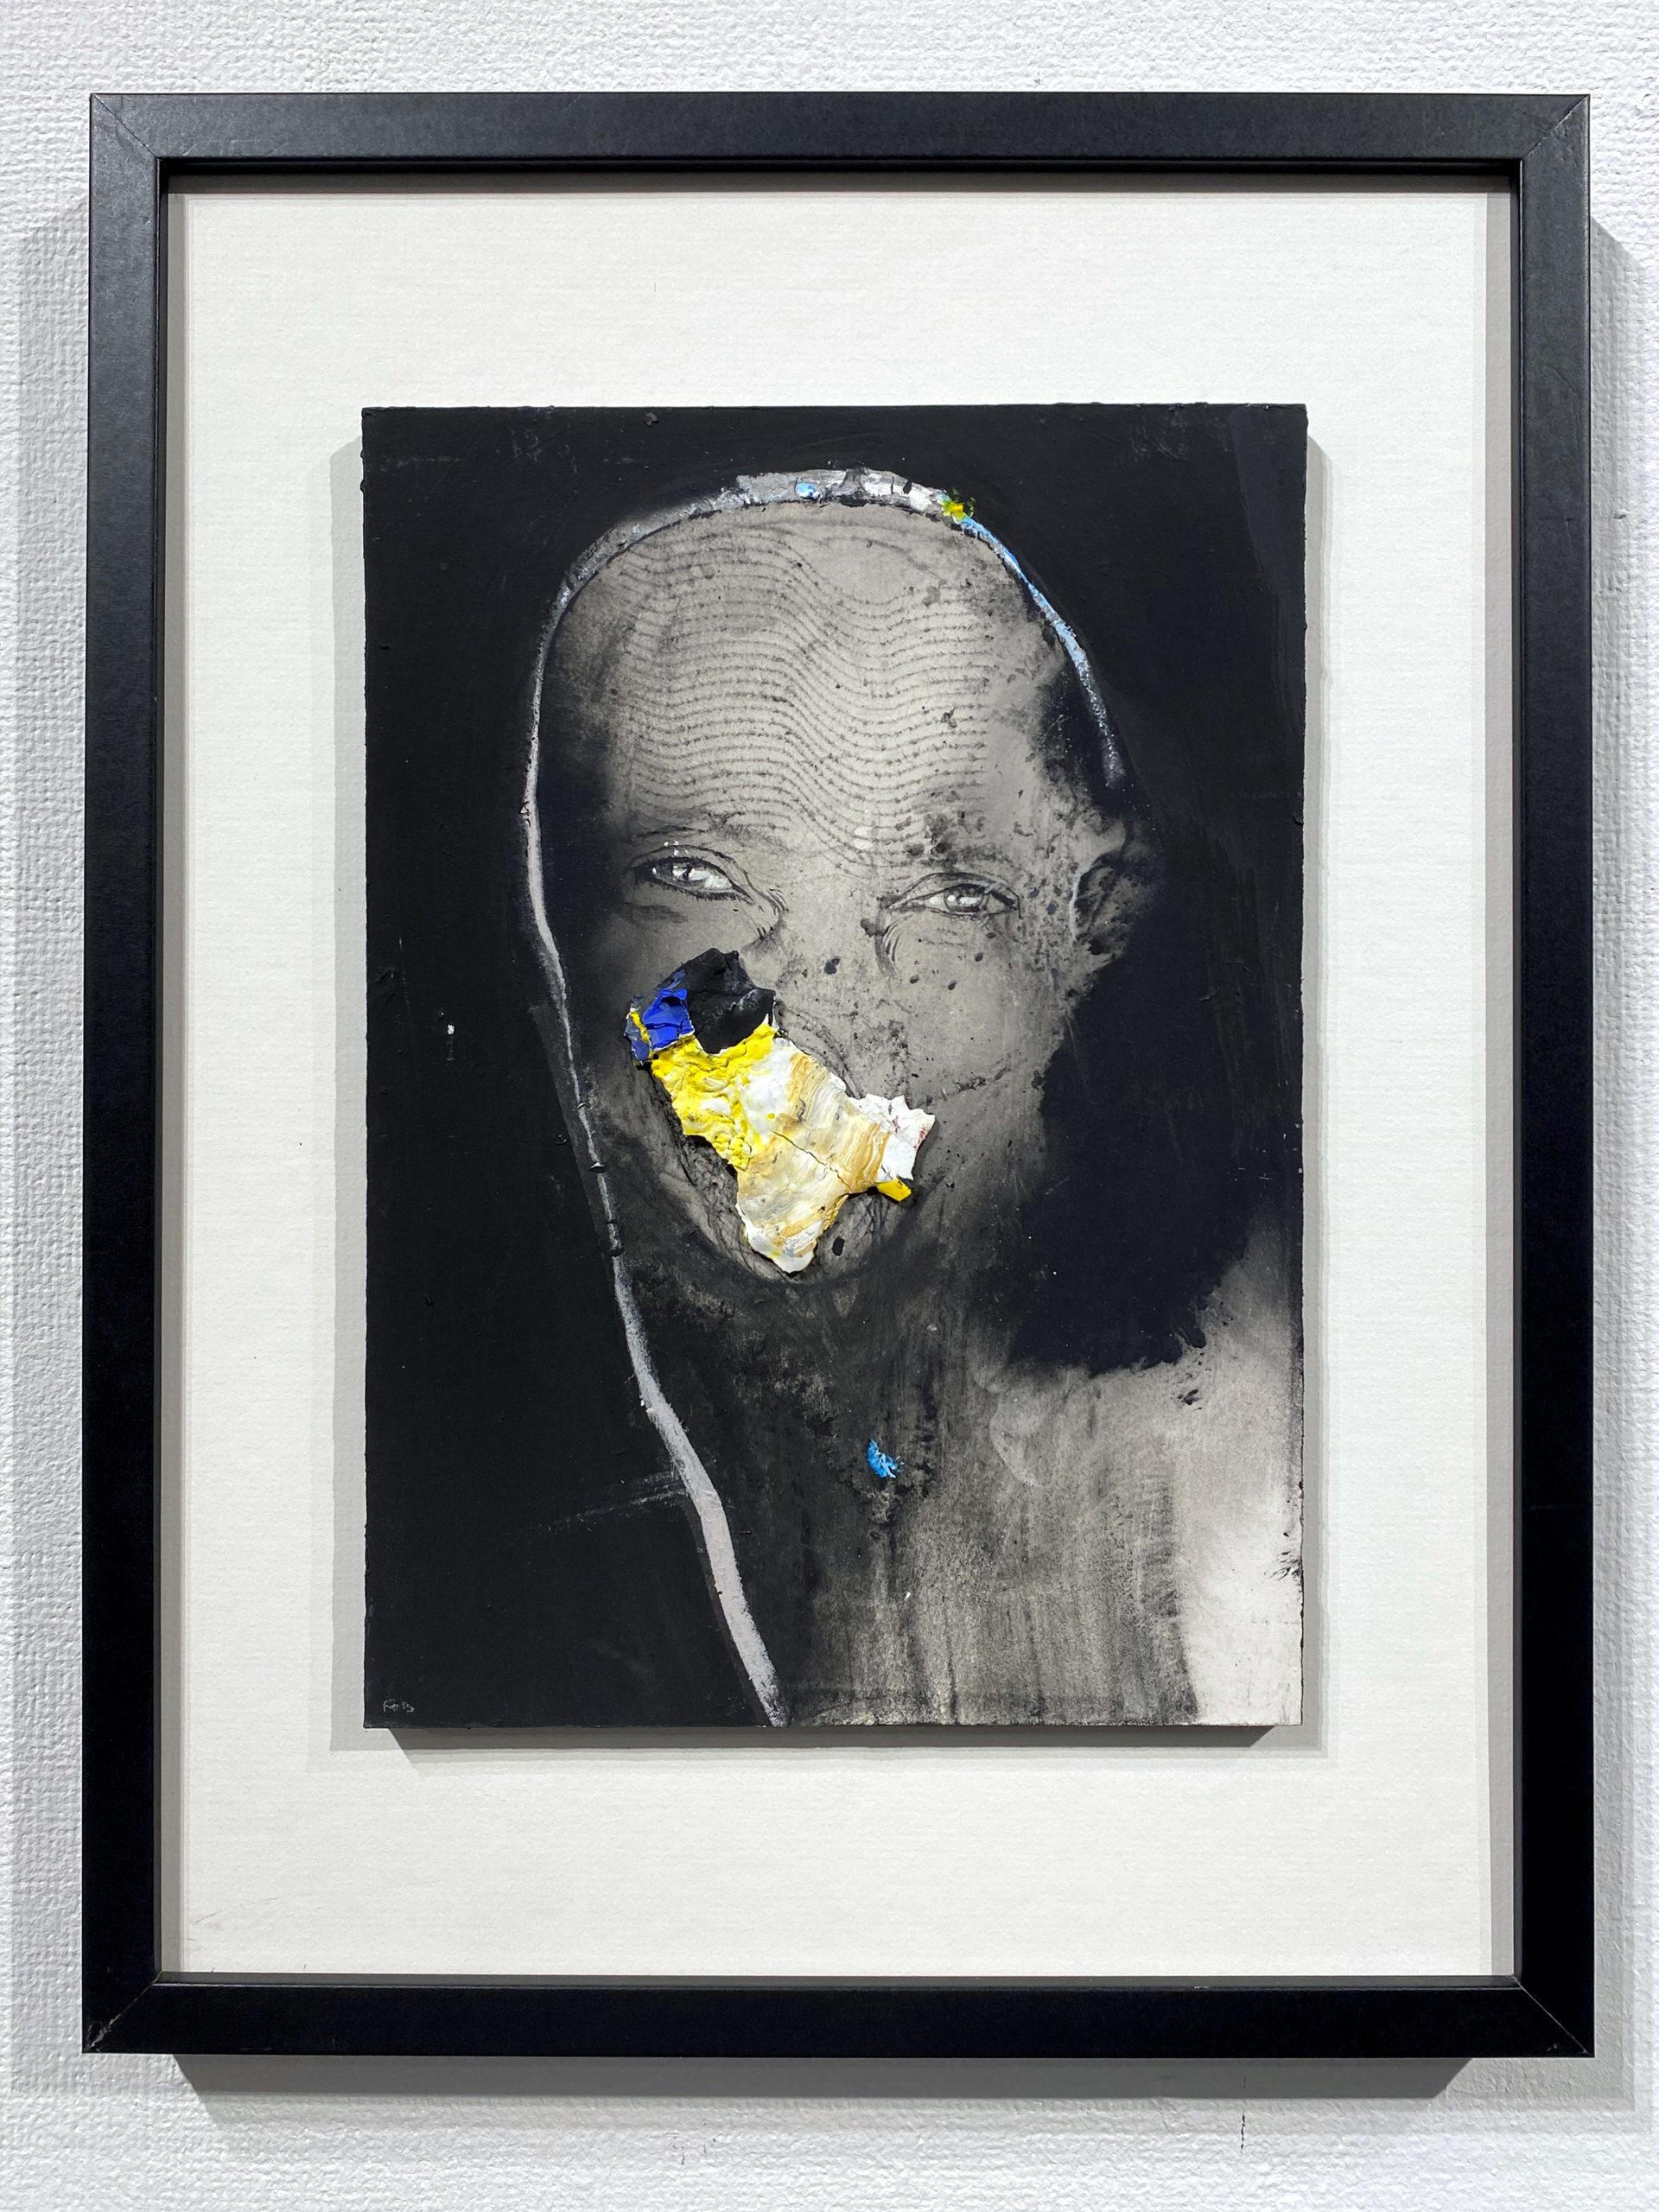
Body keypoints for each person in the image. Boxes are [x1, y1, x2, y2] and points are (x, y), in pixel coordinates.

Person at [525, 470, 1300, 1726]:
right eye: (694, 877)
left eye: (949, 900)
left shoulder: (1236, 1532)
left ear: (1094, 922)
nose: (810, 1010)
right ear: (552, 910)